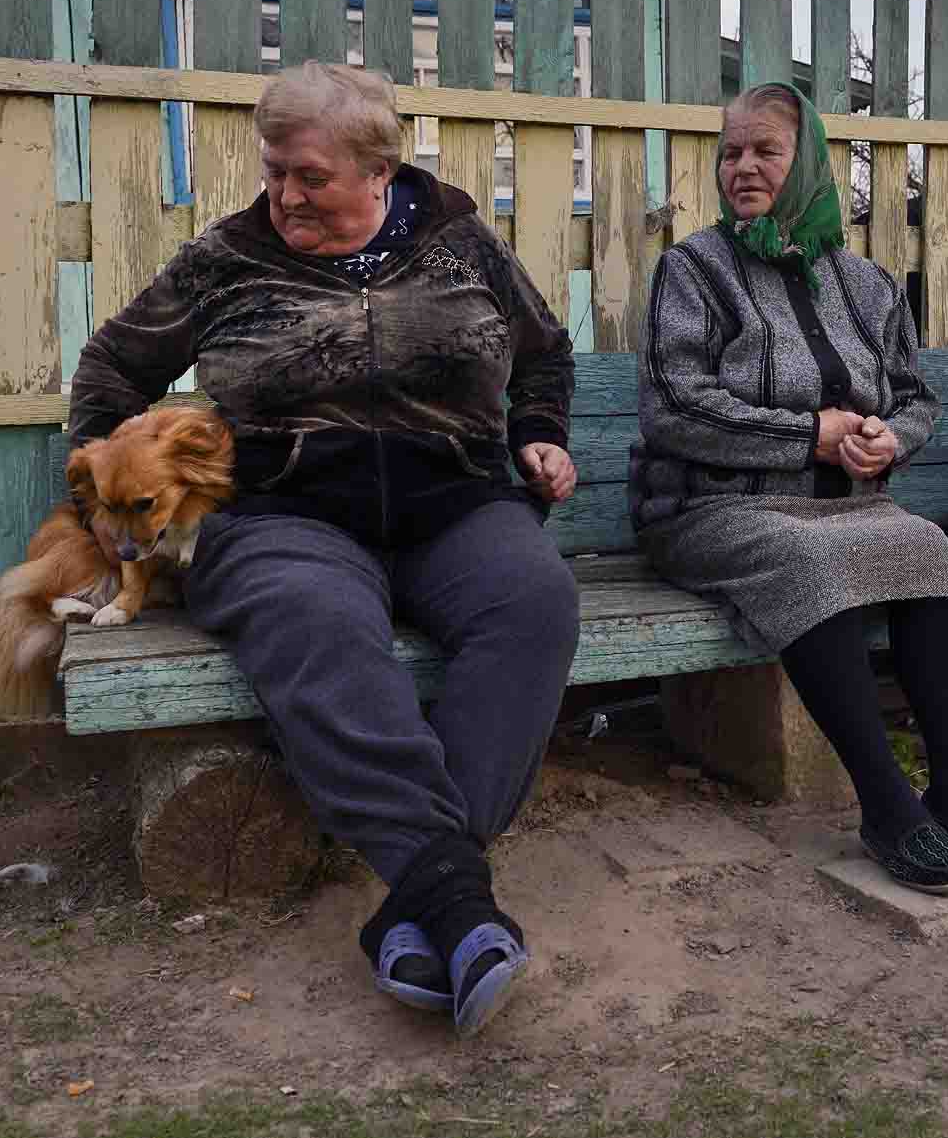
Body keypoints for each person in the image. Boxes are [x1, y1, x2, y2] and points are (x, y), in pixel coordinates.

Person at [67, 62, 579, 1037]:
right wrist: (98, 486)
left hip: (455, 507)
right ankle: (457, 902)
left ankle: (419, 898)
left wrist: (536, 434)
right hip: (282, 518)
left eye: (309, 176)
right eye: (274, 172)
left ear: (378, 171)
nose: (285, 195)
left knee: (533, 604)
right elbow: (112, 367)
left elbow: (543, 352)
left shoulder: (461, 242)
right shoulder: (224, 261)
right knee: (321, 627)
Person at [630, 81, 948, 895]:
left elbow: (914, 395)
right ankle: (887, 802)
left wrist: (891, 437)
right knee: (807, 560)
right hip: (714, 508)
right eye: (731, 153)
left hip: (845, 507)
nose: (743, 167)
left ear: (810, 163)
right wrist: (810, 433)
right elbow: (673, 404)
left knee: (923, 545)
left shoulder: (865, 283)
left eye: (766, 151)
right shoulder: (692, 270)